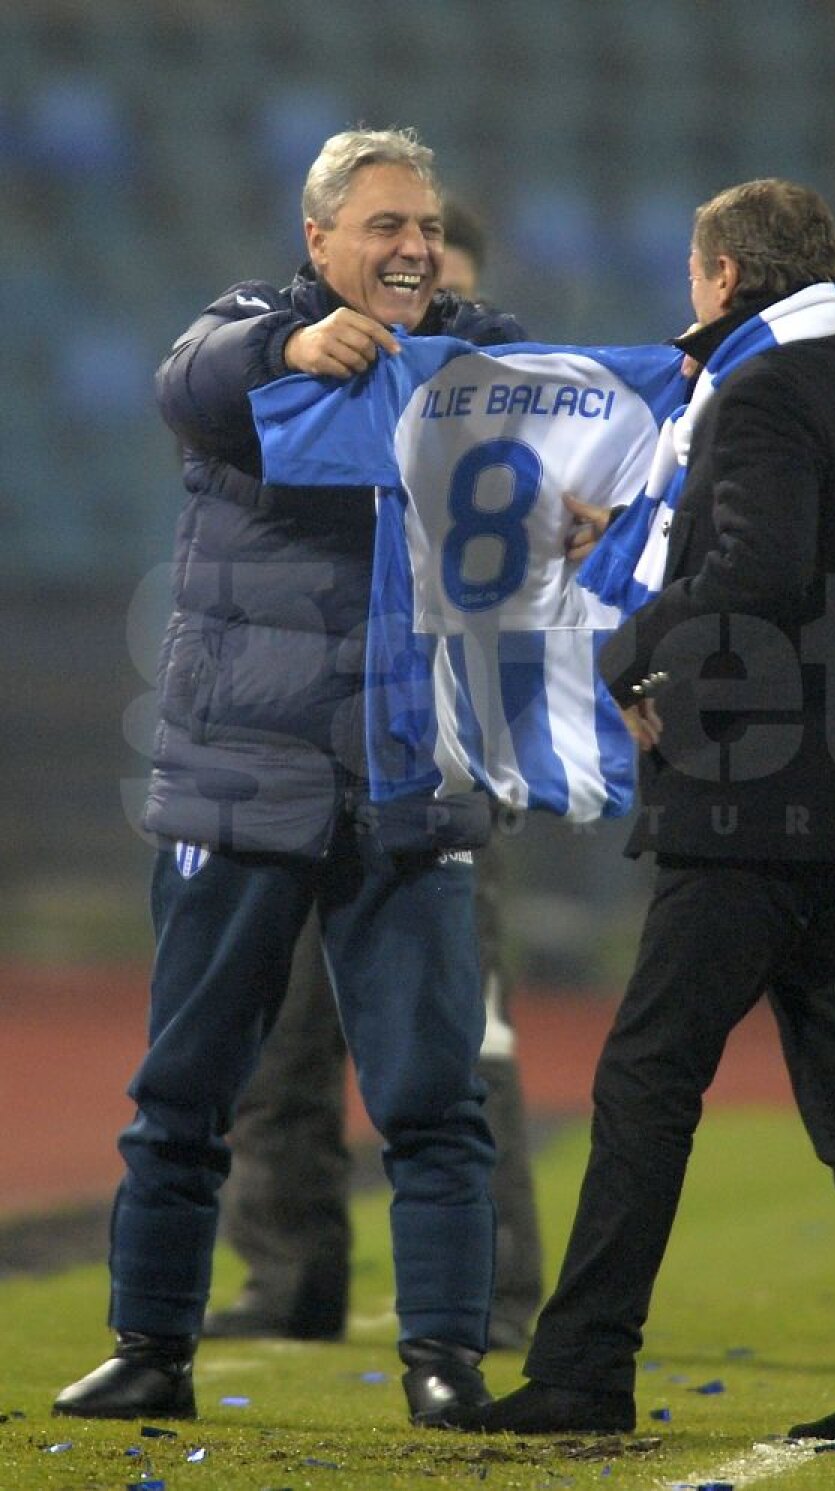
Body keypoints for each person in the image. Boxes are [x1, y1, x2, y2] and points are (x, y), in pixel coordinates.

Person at [440, 179, 835, 1441]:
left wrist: (639, 660)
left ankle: (582, 1367)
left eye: (695, 270)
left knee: (647, 1079)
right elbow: (795, 555)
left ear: (726, 276)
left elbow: (762, 566)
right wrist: (627, 538)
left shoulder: (765, 391)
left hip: (752, 800)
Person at [53, 127, 525, 1427]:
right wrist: (288, 349)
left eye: (423, 225)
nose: (414, 246)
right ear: (317, 241)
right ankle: (153, 1345)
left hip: (407, 775)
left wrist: (571, 498)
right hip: (244, 776)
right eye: (384, 224)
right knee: (188, 1086)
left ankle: (444, 1357)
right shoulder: (251, 337)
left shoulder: (475, 351)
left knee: (432, 1093)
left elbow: (560, 437)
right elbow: (186, 378)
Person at [201, 197, 543, 1355]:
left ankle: (490, 1295)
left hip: (438, 770)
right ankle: (289, 1276)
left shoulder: (503, 423)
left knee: (459, 1044)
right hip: (306, 763)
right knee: (283, 1034)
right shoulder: (318, 391)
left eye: (438, 268)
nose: (417, 279)